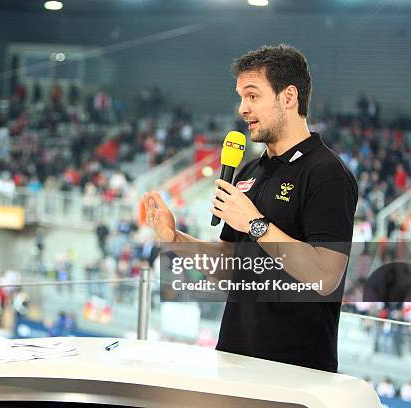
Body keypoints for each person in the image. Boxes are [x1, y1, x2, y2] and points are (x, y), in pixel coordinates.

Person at [142, 44, 358, 372]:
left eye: (253, 96)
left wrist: (256, 224)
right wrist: (174, 239)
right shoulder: (249, 171)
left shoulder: (326, 173)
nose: (243, 108)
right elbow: (231, 265)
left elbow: (325, 276)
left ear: (288, 97)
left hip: (296, 370)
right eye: (241, 97)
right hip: (233, 357)